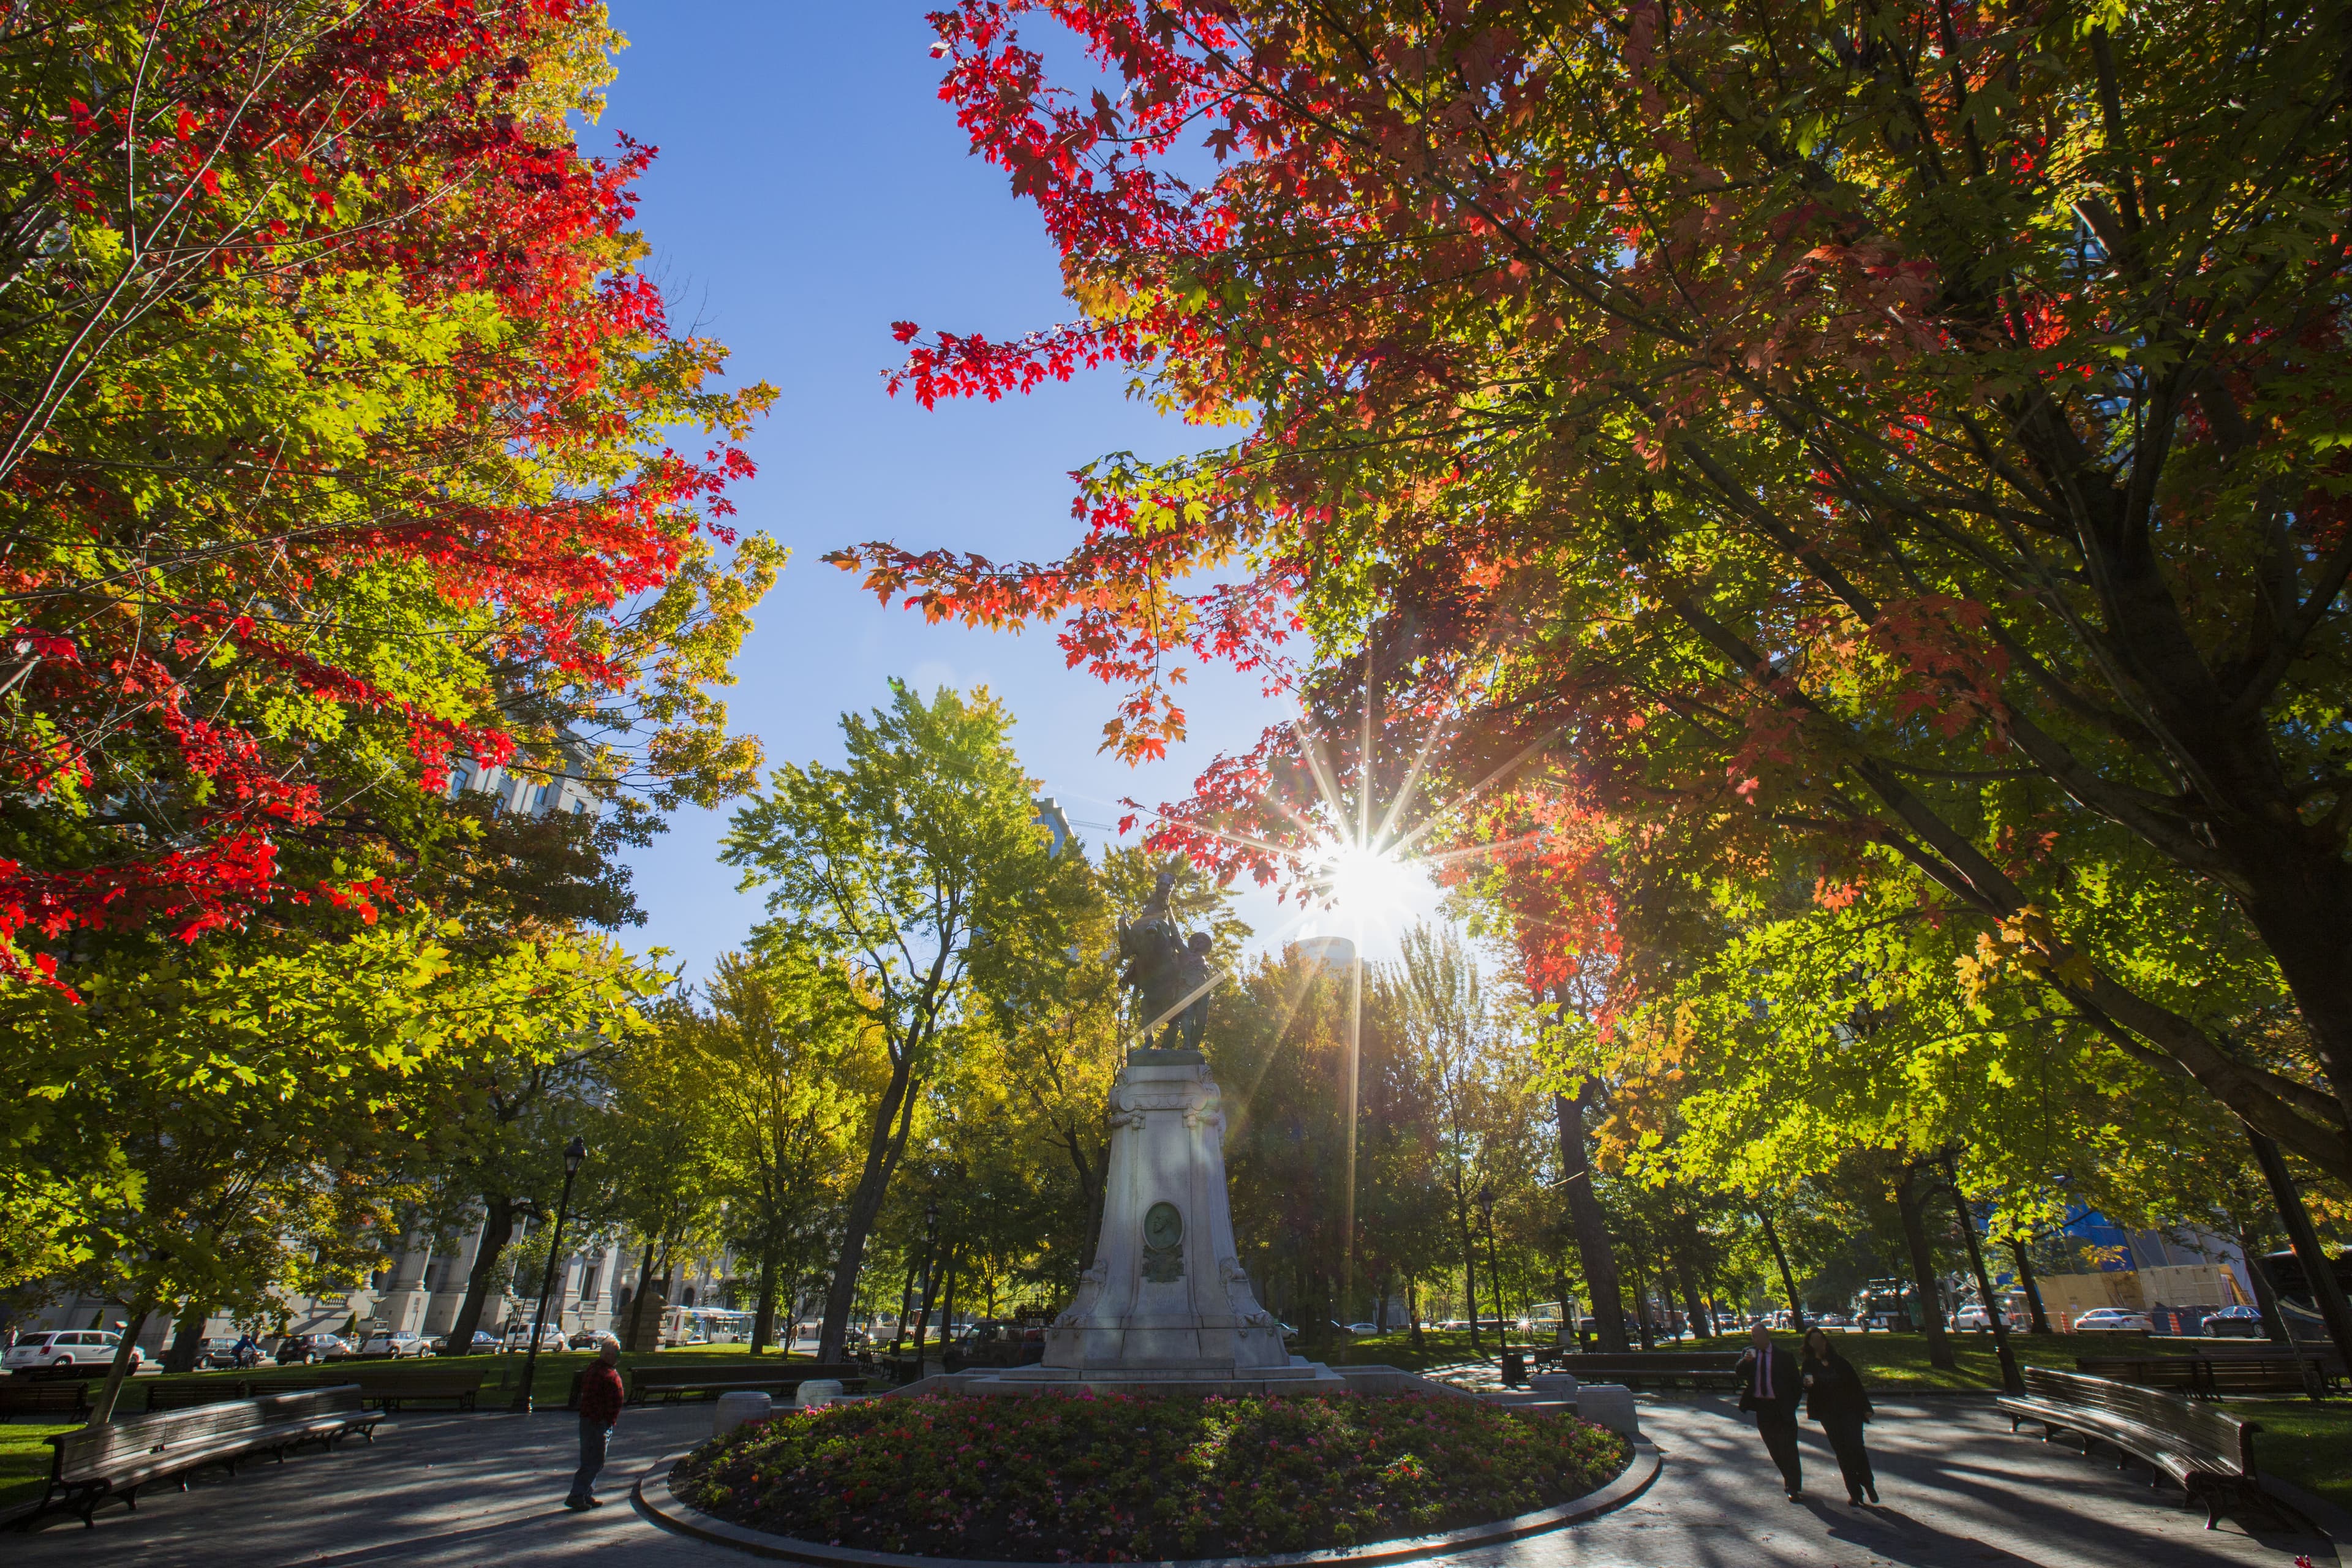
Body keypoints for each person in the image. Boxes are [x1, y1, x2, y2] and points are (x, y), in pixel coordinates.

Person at [1802, 1327, 1878, 1504]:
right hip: (1828, 1414)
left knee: (1857, 1448)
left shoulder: (1840, 1362)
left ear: (1825, 1342)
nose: (1818, 1344)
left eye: (1820, 1340)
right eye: (1814, 1341)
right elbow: (1806, 1386)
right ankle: (1855, 1492)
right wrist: (1807, 1385)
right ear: (1810, 1345)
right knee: (1842, 1453)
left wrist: (1866, 1407)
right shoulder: (1809, 1365)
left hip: (1850, 1411)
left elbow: (1856, 1385)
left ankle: (1868, 1484)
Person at [1735, 1321, 1804, 1499]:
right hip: (1763, 1408)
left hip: (1781, 1407)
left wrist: (1791, 1405)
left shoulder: (1784, 1357)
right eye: (1753, 1337)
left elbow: (1796, 1385)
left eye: (1758, 1336)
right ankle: (1788, 1477)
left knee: (1788, 1447)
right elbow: (1739, 1372)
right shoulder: (1749, 1353)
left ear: (1767, 1336)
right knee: (1773, 1447)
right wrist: (1745, 1361)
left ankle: (1793, 1486)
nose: (1755, 1339)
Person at [568, 1341, 625, 1510]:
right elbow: (594, 1400)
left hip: (600, 1421)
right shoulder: (600, 1372)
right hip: (596, 1422)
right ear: (606, 1354)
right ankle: (577, 1495)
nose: (616, 1358)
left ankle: (586, 1493)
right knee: (594, 1460)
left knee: (594, 1460)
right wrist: (602, 1417)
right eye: (615, 1354)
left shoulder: (602, 1370)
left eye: (616, 1354)